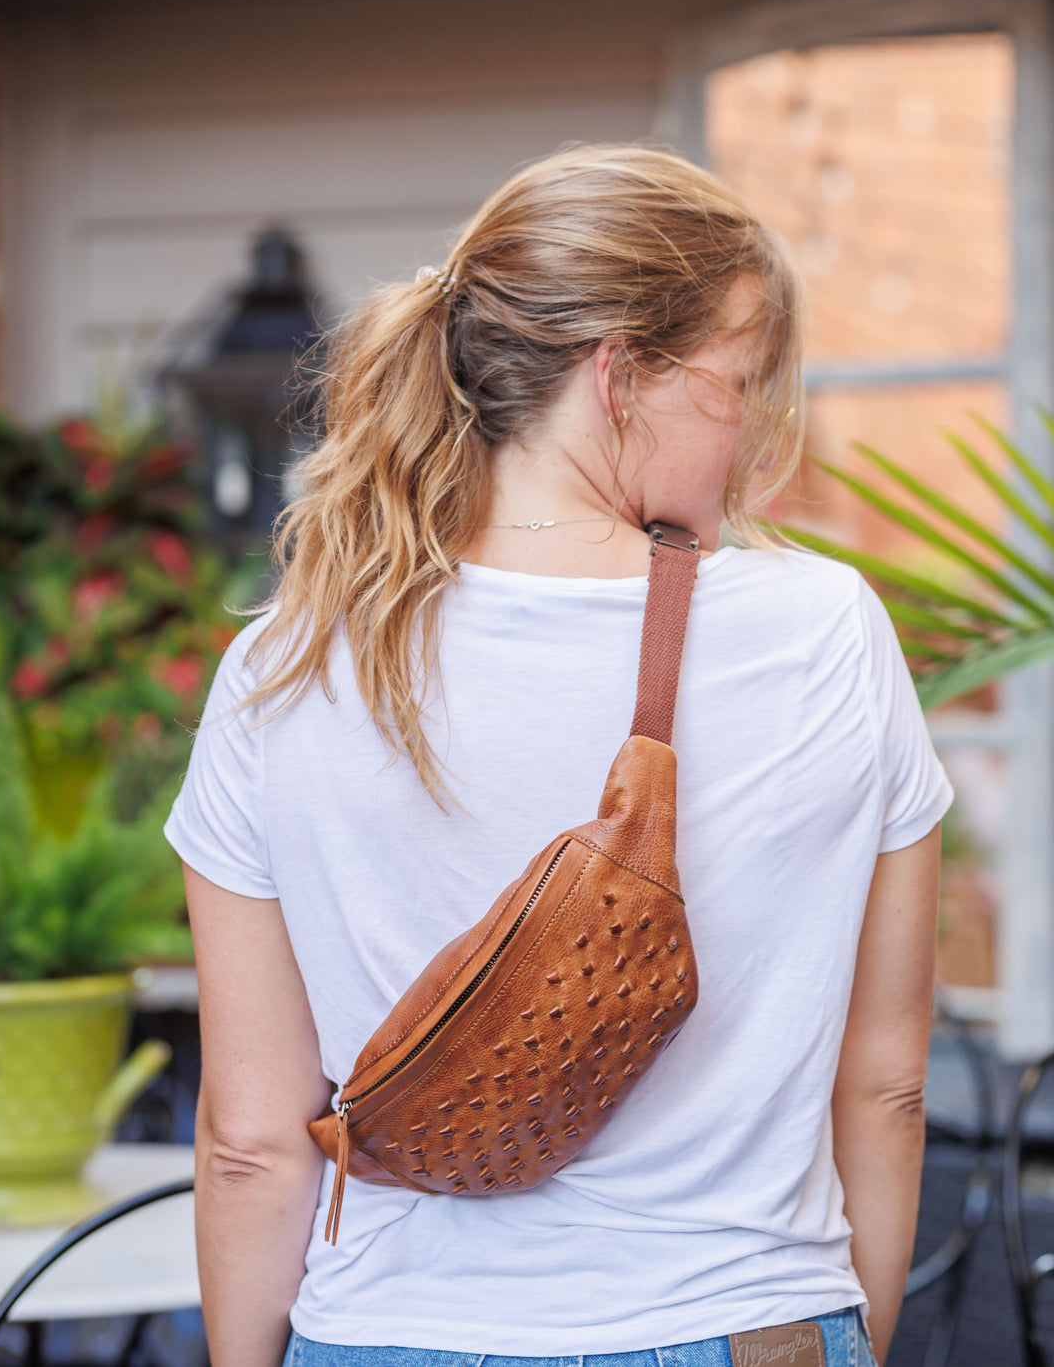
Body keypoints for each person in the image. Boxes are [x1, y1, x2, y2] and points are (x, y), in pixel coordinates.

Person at [166, 144, 949, 1367]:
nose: (749, 438)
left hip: (387, 1333)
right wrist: (837, 1336)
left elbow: (252, 1142)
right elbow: (889, 1083)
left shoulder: (286, 667)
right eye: (736, 382)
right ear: (620, 373)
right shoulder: (825, 631)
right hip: (736, 1321)